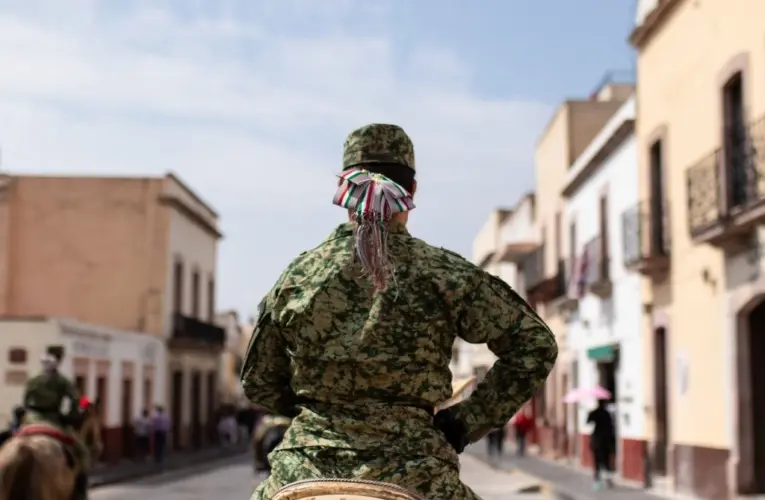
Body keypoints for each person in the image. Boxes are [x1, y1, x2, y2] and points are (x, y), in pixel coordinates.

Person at [241, 123, 558, 500]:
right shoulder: (445, 273)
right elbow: (535, 344)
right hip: (417, 474)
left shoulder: (298, 278)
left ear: (344, 190)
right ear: (412, 191)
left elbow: (258, 381)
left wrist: (323, 414)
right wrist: (463, 423)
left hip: (304, 469)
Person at [23, 345, 90, 500]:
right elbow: (77, 400)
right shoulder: (62, 381)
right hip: (53, 420)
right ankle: (80, 492)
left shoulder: (33, 380)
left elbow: (25, 402)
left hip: (29, 420)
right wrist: (86, 403)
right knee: (83, 452)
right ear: (59, 359)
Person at [587, 399, 616, 490]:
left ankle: (597, 482)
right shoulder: (607, 414)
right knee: (606, 462)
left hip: (597, 441)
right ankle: (608, 481)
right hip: (605, 441)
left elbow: (588, 421)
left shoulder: (594, 413)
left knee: (597, 462)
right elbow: (611, 427)